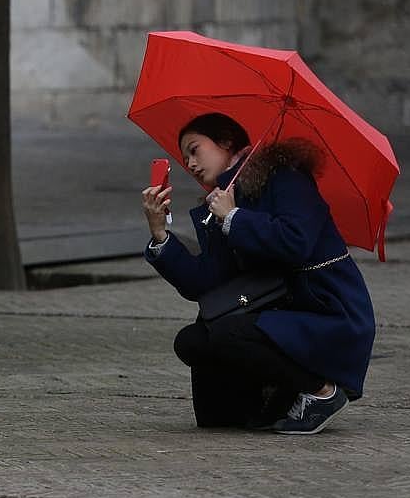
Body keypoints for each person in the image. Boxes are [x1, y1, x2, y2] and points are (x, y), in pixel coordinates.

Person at [140, 112, 375, 435]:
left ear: (225, 142)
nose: (190, 164)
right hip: (277, 307)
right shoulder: (223, 198)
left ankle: (322, 392)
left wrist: (234, 217)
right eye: (184, 158)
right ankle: (268, 401)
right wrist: (160, 236)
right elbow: (203, 282)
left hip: (325, 307)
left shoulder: (286, 178)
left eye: (195, 150)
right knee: (193, 342)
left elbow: (296, 242)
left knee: (228, 332)